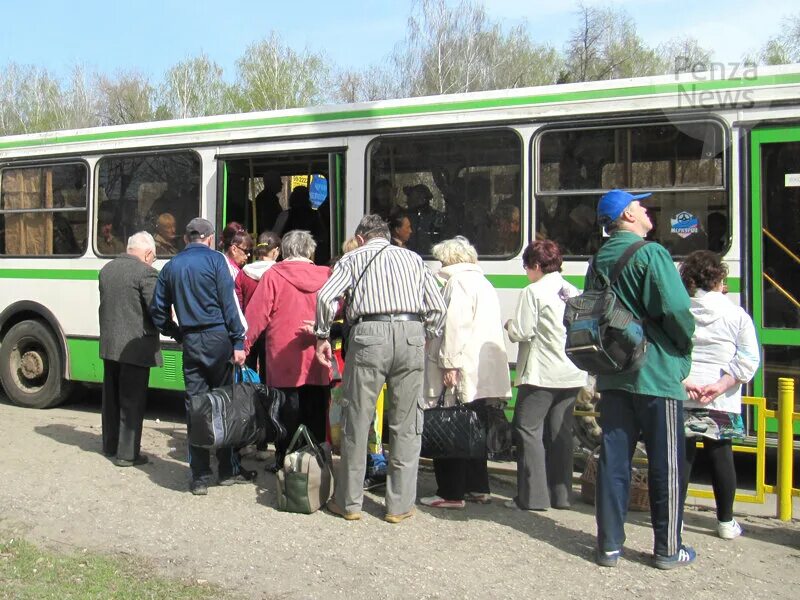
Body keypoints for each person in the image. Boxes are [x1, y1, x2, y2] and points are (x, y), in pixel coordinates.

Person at [314, 214, 447, 523]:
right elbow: (438, 306)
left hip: (369, 335)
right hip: (411, 332)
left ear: (361, 237)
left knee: (357, 417)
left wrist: (322, 334)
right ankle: (399, 506)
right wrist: (426, 335)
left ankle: (349, 503)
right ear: (386, 235)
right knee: (407, 421)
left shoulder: (353, 258)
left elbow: (324, 297)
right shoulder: (414, 259)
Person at [590, 189, 697, 569]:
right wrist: (685, 346)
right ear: (627, 215)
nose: (647, 208)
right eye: (640, 205)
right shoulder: (651, 253)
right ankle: (668, 549)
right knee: (665, 462)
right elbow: (676, 309)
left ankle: (608, 546)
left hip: (614, 373)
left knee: (613, 461)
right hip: (655, 373)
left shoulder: (598, 258)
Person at [149, 217, 252, 496]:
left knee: (196, 406)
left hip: (192, 340)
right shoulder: (217, 262)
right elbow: (228, 304)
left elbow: (157, 312)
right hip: (219, 338)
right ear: (208, 239)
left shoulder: (171, 267)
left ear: (186, 239)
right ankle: (228, 469)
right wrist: (238, 341)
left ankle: (199, 476)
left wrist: (178, 333)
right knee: (225, 402)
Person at [419, 236, 511, 509]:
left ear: (449, 259)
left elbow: (455, 327)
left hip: (462, 367)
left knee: (451, 425)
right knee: (475, 428)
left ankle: (450, 492)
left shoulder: (456, 283)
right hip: (483, 369)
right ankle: (478, 487)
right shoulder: (483, 282)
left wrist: (449, 364)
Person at [679, 250, 759, 540]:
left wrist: (686, 382)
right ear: (718, 279)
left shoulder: (678, 311)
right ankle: (725, 522)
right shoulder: (735, 314)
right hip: (720, 397)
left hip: (683, 392)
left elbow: (667, 352)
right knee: (721, 455)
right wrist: (721, 385)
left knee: (681, 458)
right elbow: (749, 358)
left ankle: (675, 519)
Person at [504, 240, 587, 510]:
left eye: (527, 267)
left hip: (542, 373)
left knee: (527, 429)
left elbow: (523, 331)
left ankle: (533, 497)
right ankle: (561, 495)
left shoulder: (533, 291)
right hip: (572, 372)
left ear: (537, 266)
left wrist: (509, 326)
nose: (527, 272)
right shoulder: (572, 289)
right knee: (560, 433)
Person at [244, 230, 332, 472]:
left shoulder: (274, 275)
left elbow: (256, 315)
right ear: (310, 251)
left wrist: (243, 346)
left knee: (285, 412)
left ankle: (286, 461)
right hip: (316, 355)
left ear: (284, 251)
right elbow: (339, 309)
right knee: (314, 409)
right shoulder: (327, 275)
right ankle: (314, 464)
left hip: (282, 356)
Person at [98, 232, 160, 467]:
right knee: (132, 402)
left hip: (110, 344)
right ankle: (127, 454)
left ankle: (110, 445)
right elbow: (156, 309)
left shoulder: (107, 269)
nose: (152, 262)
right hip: (136, 346)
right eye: (152, 258)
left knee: (111, 399)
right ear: (147, 254)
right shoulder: (146, 272)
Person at [404, 184, 443, 254]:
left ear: (423, 199)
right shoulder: (405, 216)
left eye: (412, 198)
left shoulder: (437, 217)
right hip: (409, 258)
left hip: (431, 259)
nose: (407, 201)